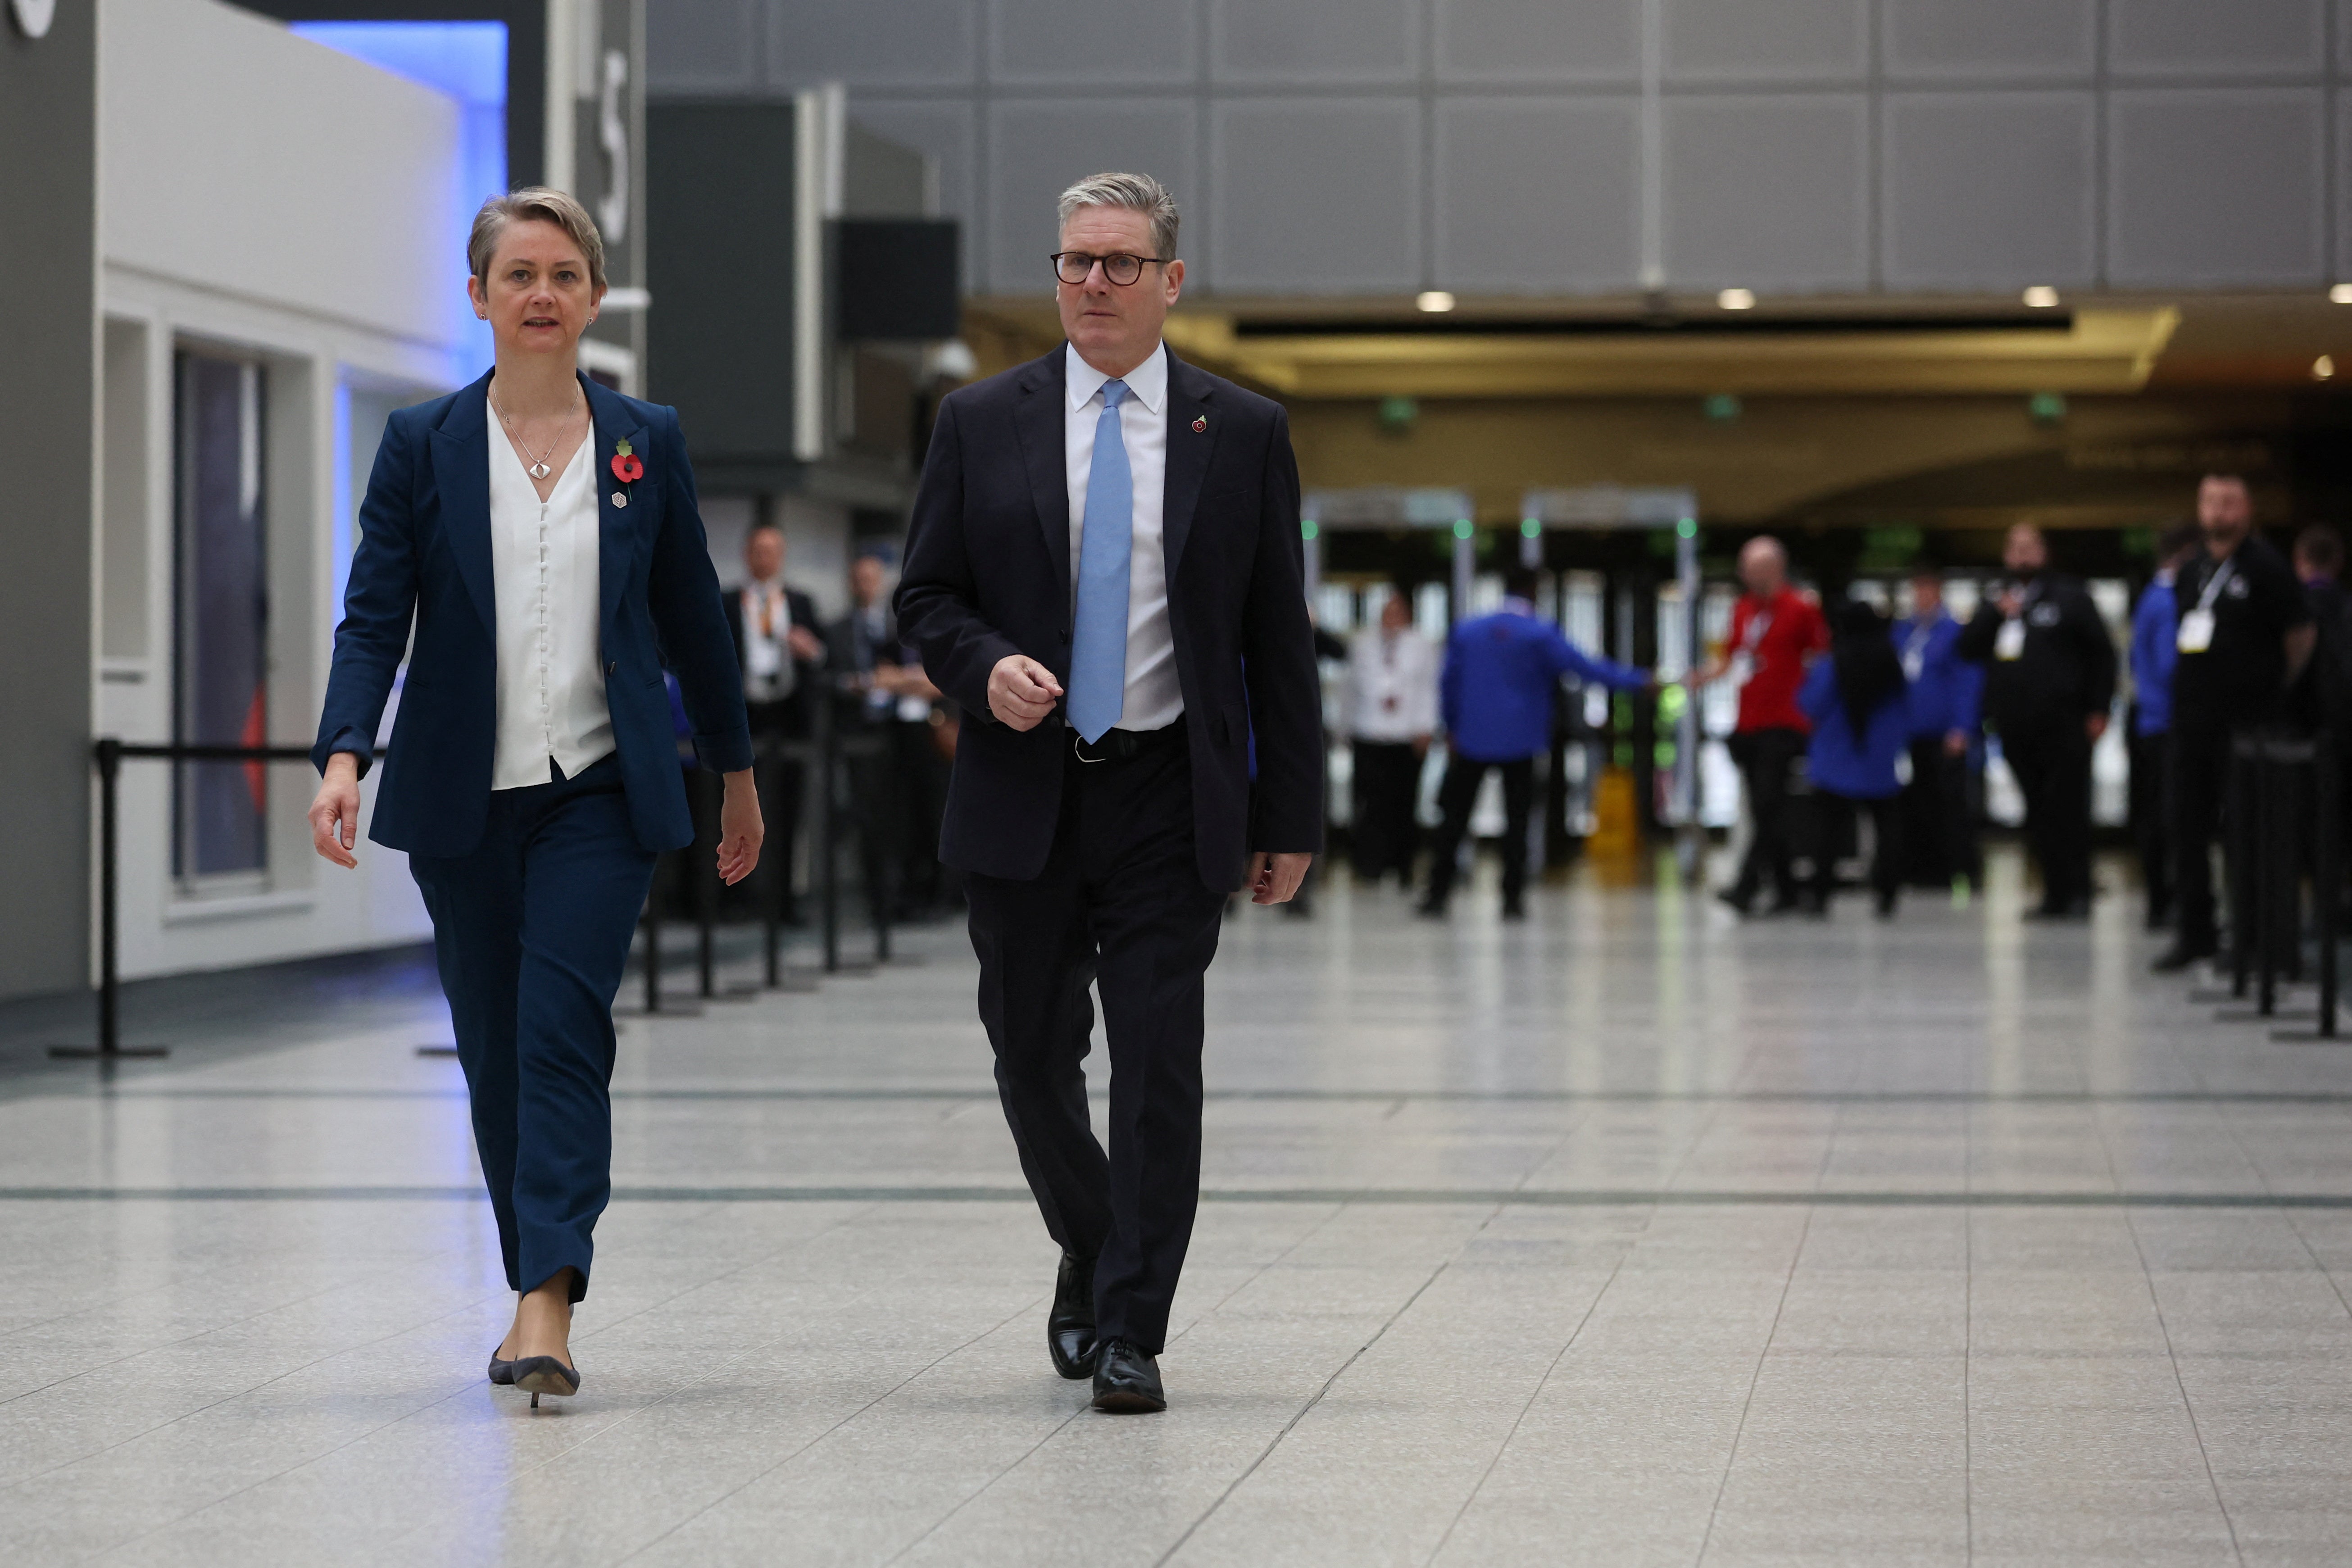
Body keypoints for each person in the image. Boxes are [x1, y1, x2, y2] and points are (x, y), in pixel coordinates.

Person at [306, 190, 758, 1404]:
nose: (543, 293)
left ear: (594, 298)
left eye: (564, 273)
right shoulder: (423, 444)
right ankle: (532, 1282)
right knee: (494, 1054)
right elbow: (373, 616)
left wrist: (736, 773)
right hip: (461, 799)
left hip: (599, 797)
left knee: (561, 1034)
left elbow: (691, 619)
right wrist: (346, 752)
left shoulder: (643, 440)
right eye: (519, 274)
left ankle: (544, 1301)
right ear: (480, 297)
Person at [894, 171, 1321, 1413]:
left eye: (1119, 263)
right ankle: (1091, 1241)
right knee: (1030, 1058)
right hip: (1024, 789)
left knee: (1155, 1064)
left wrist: (1287, 818)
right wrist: (983, 671)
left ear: (1168, 282)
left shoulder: (1238, 432)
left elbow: (1273, 643)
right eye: (1074, 261)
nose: (1091, 282)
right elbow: (924, 599)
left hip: (1165, 794)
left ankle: (1131, 1322)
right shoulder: (983, 421)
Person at [1419, 565, 1649, 920]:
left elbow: (1448, 683)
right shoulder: (1539, 633)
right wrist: (1640, 680)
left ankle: (1438, 893)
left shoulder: (1468, 630)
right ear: (1534, 592)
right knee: (1518, 822)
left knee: (1455, 819)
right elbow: (1585, 668)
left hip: (1471, 739)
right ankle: (1512, 899)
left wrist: (1451, 727)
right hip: (1521, 740)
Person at [2154, 476, 2314, 971]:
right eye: (2209, 502)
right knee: (2185, 828)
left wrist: (2271, 688)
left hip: (2247, 725)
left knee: (2246, 833)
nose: (2218, 512)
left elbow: (2300, 633)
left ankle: (2251, 937)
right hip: (2191, 722)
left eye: (2227, 502)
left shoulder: (2266, 566)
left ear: (2245, 509)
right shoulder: (2192, 569)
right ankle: (2194, 932)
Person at [1957, 523, 2116, 921]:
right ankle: (2053, 893)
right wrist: (1995, 614)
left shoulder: (2070, 596)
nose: (2021, 554)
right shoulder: (1998, 598)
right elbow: (1966, 648)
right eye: (2014, 547)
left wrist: (2099, 708)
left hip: (2065, 723)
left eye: (2029, 546)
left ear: (2044, 551)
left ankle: (2079, 891)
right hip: (2014, 724)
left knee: (2069, 807)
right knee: (2037, 810)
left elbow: (2101, 654)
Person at [1694, 536, 1828, 916]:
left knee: (1770, 803)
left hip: (1785, 721)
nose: (1747, 575)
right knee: (1766, 808)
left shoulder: (1800, 609)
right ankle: (1787, 890)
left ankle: (1747, 885)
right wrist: (1703, 678)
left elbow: (1821, 660)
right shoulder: (1742, 610)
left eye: (1754, 567)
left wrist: (1814, 709)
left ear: (1775, 568)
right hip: (1748, 721)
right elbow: (1732, 657)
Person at [830, 552, 949, 920]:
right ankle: (883, 898)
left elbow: (927, 680)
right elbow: (840, 676)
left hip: (912, 732)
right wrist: (876, 682)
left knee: (917, 815)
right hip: (865, 735)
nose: (867, 585)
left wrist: (894, 681)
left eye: (872, 578)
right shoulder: (840, 628)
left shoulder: (902, 624)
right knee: (874, 819)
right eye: (860, 578)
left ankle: (923, 893)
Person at [723, 523, 825, 922]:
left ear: (781, 556)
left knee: (786, 808)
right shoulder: (730, 601)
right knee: (735, 807)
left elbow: (823, 657)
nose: (765, 558)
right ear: (748, 555)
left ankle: (784, 899)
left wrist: (810, 650)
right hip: (745, 713)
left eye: (772, 550)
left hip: (787, 714)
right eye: (758, 550)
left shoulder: (799, 602)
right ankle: (734, 897)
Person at [1798, 600, 1912, 918]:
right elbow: (1905, 709)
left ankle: (1820, 895)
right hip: (1879, 760)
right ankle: (1887, 894)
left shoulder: (1831, 664)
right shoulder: (1891, 662)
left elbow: (1810, 704)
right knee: (1886, 830)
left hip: (1836, 759)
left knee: (1828, 833)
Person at [2128, 524, 2201, 930]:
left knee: (2155, 815)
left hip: (2151, 720)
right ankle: (2166, 902)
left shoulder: (2148, 598)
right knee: (2167, 818)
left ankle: (2161, 900)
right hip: (2168, 722)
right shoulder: (2169, 599)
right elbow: (2172, 665)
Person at [1891, 568, 1982, 894]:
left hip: (1945, 734)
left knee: (1952, 804)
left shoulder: (1954, 633)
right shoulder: (1904, 632)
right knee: (1918, 803)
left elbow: (1966, 683)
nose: (1921, 597)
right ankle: (1923, 869)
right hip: (1912, 732)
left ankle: (1960, 870)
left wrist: (1962, 726)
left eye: (1927, 590)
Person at [1343, 584, 1437, 887]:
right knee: (1370, 804)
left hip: (1406, 735)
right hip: (1369, 732)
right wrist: (1345, 727)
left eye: (1398, 612)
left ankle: (1403, 866)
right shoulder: (1362, 644)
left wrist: (1426, 728)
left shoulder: (1422, 645)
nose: (1392, 618)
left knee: (1404, 804)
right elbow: (1351, 690)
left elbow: (1429, 690)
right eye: (1387, 612)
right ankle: (1369, 865)